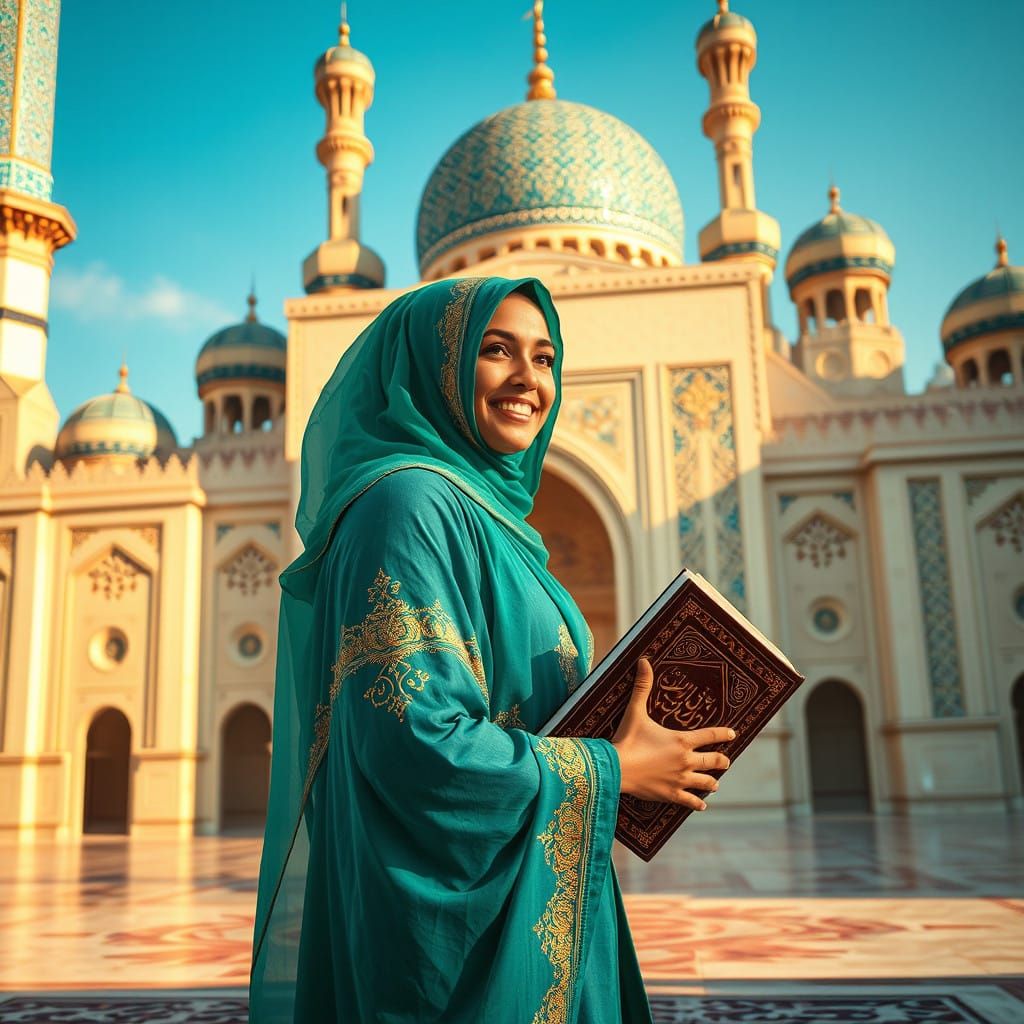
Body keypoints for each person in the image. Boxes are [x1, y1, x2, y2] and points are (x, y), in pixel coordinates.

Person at [249, 276, 733, 1023]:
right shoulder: (406, 505)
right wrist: (614, 765)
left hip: (532, 902)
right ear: (435, 367)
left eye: (544, 358)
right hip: (452, 951)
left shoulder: (494, 524)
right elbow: (416, 745)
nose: (527, 379)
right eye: (494, 349)